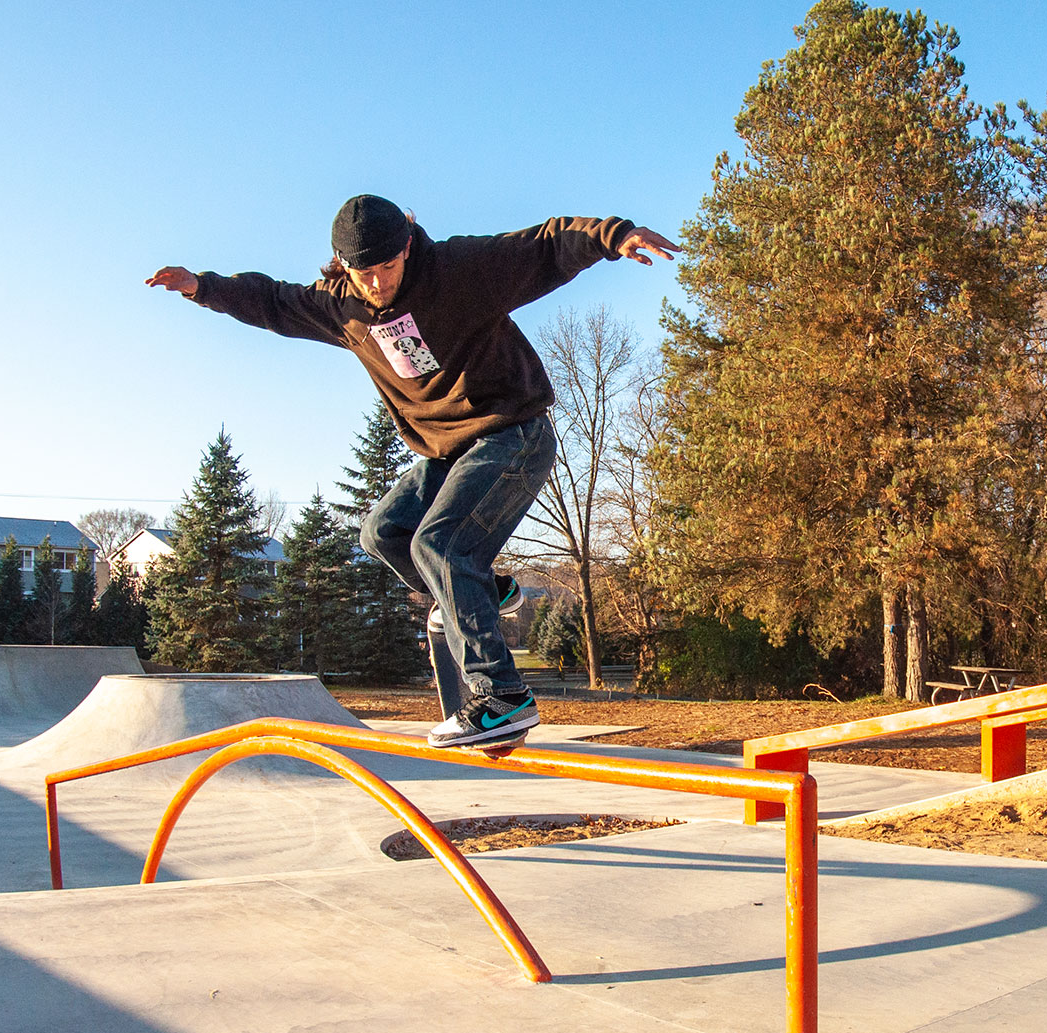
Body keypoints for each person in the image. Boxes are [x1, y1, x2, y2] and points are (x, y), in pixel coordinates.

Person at [146, 195, 678, 747]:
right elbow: (273, 302)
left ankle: (503, 697)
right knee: (383, 533)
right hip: (447, 452)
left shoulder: (459, 271)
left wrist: (614, 235)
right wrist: (200, 287)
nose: (377, 285)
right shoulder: (340, 307)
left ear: (407, 245)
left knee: (442, 544)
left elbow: (543, 244)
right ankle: (488, 592)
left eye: (388, 268)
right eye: (363, 274)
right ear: (341, 265)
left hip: (512, 431)